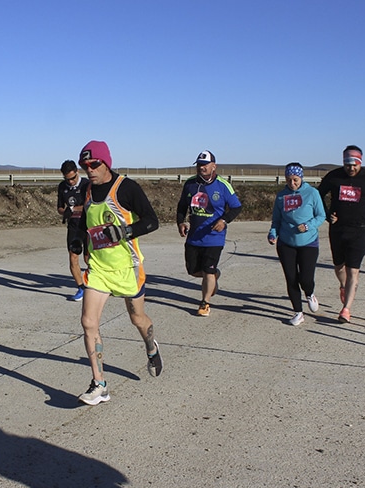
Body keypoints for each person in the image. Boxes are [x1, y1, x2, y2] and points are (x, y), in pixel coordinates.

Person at [73, 140, 162, 405]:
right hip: (99, 268)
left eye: (94, 164)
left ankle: (151, 346)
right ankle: (99, 384)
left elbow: (152, 221)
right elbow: (82, 222)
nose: (89, 170)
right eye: (84, 166)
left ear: (106, 163)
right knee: (88, 322)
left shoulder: (126, 188)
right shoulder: (86, 191)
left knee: (137, 319)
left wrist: (125, 232)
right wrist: (78, 243)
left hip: (128, 268)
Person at [317, 145, 365, 323]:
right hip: (338, 228)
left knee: (353, 270)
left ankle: (346, 309)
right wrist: (327, 214)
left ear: (360, 162)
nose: (351, 168)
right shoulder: (334, 176)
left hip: (360, 229)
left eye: (354, 165)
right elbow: (318, 194)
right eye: (348, 165)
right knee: (339, 266)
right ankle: (343, 286)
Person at [176, 150, 242, 317]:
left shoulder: (223, 185)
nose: (201, 168)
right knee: (193, 270)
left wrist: (224, 220)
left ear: (214, 166)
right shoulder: (190, 184)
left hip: (214, 237)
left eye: (205, 165)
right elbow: (182, 205)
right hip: (194, 236)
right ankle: (214, 276)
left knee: (208, 270)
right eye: (199, 165)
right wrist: (181, 222)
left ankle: (205, 302)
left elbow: (236, 207)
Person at [267, 163, 327, 325]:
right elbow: (276, 220)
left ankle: (310, 293)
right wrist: (273, 234)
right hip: (286, 242)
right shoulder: (281, 196)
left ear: (301, 178)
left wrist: (308, 226)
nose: (292, 183)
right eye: (288, 180)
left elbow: (321, 216)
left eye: (295, 180)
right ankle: (298, 312)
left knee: (306, 278)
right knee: (291, 278)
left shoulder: (312, 193)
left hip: (308, 242)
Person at [57, 159, 89, 301]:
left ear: (77, 172)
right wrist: (65, 212)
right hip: (73, 227)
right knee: (73, 257)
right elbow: (59, 208)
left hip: (88, 225)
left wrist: (74, 208)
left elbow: (91, 205)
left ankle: (97, 284)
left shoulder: (87, 185)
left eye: (72, 178)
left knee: (89, 259)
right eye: (67, 179)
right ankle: (81, 287)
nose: (70, 182)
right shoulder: (62, 187)